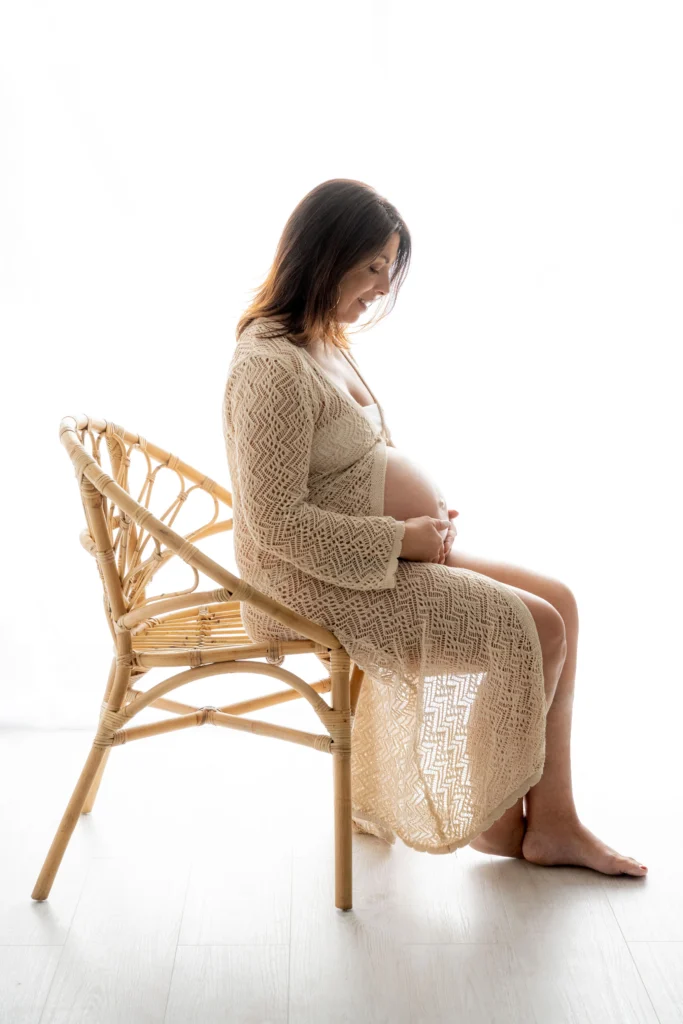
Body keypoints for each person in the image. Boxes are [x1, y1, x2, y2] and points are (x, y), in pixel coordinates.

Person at [223, 178, 646, 876]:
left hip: (374, 559)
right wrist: (399, 536)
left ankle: (557, 820)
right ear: (327, 254)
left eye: (388, 273)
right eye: (372, 269)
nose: (380, 290)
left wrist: (418, 516)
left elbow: (348, 463)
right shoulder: (268, 364)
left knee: (561, 600)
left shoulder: (324, 341)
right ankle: (495, 816)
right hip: (306, 584)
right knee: (537, 625)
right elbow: (273, 525)